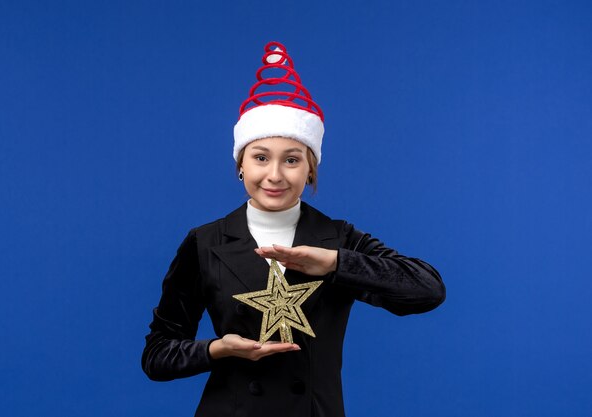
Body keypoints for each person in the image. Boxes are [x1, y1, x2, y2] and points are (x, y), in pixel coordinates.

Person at [141, 41, 445, 417]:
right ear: (240, 165)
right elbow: (156, 356)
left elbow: (427, 290)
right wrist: (218, 349)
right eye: (260, 157)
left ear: (310, 168)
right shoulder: (205, 242)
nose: (274, 175)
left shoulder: (338, 238)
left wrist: (336, 264)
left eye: (291, 160)